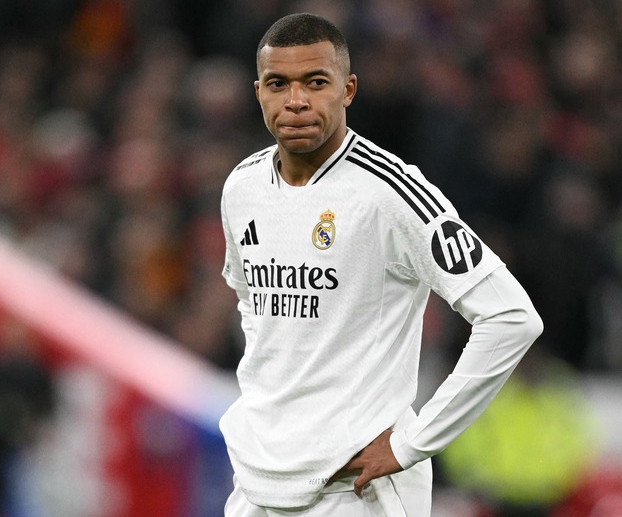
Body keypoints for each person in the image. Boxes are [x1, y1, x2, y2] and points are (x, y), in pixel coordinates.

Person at [219, 13, 543, 517]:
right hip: (256, 485)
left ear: (348, 89)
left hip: (355, 491)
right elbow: (250, 302)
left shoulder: (392, 193)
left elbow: (511, 317)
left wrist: (414, 442)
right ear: (259, 92)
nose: (296, 100)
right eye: (278, 84)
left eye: (316, 82)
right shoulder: (242, 187)